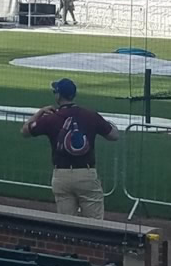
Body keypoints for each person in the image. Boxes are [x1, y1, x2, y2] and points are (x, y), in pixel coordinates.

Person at [22, 78, 117, 219]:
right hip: (86, 174)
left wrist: (40, 112)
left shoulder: (50, 118)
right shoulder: (90, 115)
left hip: (61, 175)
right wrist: (101, 121)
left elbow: (25, 131)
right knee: (95, 225)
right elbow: (113, 135)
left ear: (58, 95)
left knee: (66, 224)